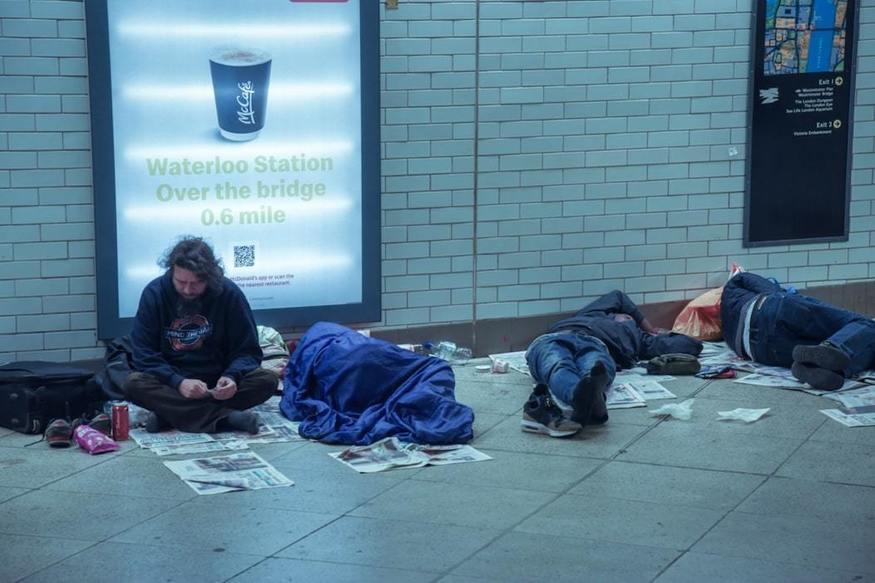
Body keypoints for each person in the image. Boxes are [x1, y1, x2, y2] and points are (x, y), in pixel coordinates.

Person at [124, 237, 277, 434]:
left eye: (196, 284)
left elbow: (248, 350)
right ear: (171, 271)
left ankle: (171, 414)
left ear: (209, 277)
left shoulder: (229, 293)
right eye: (181, 282)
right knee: (133, 384)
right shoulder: (154, 293)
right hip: (172, 380)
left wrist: (231, 376)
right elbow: (143, 354)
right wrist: (178, 382)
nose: (187, 290)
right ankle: (225, 419)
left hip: (217, 380)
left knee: (267, 380)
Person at [523, 290, 703, 437]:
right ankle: (587, 400)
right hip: (556, 338)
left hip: (597, 345)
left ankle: (586, 395)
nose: (626, 318)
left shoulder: (640, 340)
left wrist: (657, 334)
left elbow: (693, 346)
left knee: (596, 368)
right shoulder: (592, 314)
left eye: (629, 319)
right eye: (624, 315)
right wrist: (647, 325)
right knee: (558, 363)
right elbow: (617, 296)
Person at [721, 271, 875, 391]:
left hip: (760, 352)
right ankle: (834, 349)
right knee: (863, 324)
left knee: (845, 342)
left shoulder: (729, 340)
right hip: (772, 309)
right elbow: (770, 289)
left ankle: (823, 368)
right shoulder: (732, 286)